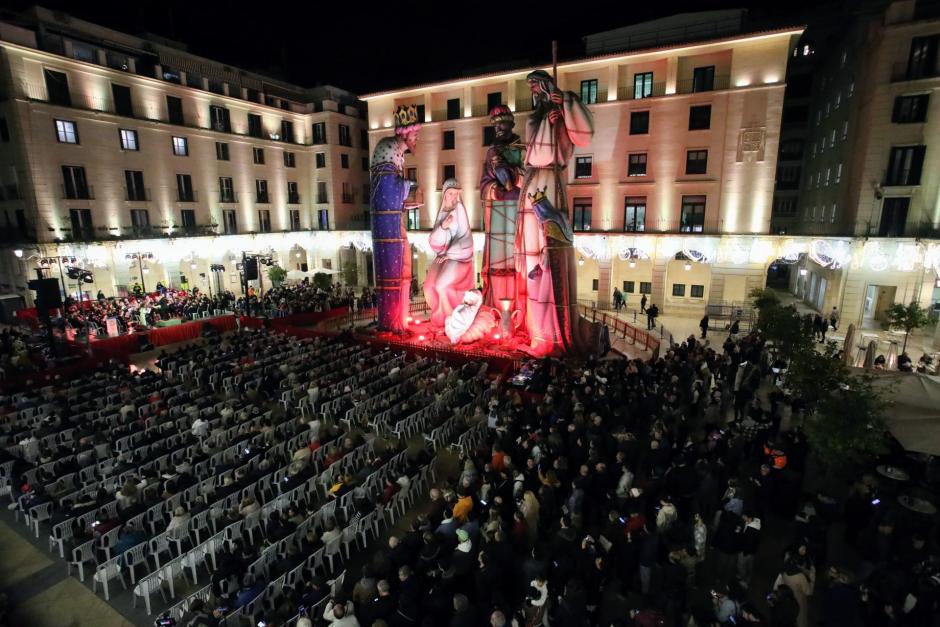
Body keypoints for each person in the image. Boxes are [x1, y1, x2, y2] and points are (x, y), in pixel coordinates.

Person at [424, 178, 474, 327]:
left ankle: (452, 320)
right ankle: (438, 314)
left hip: (458, 257)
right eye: (451, 193)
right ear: (444, 194)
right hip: (444, 256)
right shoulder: (442, 212)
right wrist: (443, 227)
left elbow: (466, 237)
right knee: (428, 287)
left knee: (442, 285)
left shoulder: (459, 209)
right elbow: (435, 242)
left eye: (456, 193)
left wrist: (449, 254)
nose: (454, 196)